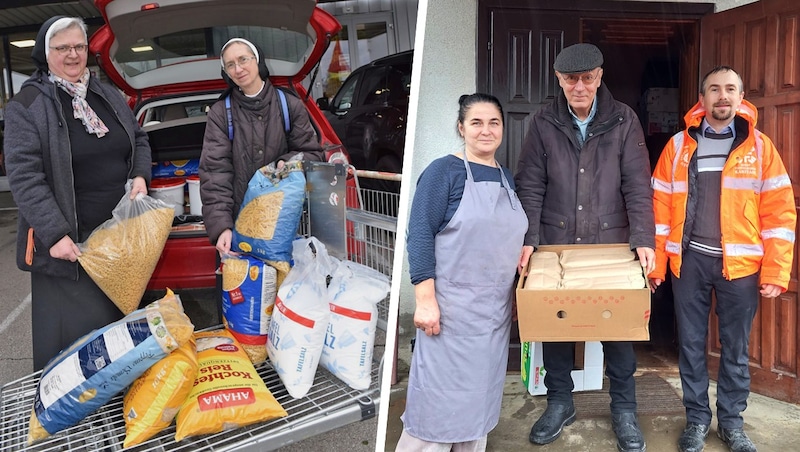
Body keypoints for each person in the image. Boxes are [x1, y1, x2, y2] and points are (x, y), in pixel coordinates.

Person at [514, 43, 655, 452]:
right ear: (559, 79)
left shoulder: (624, 119)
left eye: (588, 77)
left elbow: (636, 184)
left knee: (618, 328)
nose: (580, 86)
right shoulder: (543, 121)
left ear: (600, 75)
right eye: (571, 79)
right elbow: (530, 184)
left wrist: (643, 238)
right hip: (556, 243)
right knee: (556, 326)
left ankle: (624, 409)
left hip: (610, 242)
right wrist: (528, 241)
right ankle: (560, 402)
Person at [649, 66, 796, 452]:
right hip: (690, 262)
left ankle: (732, 424)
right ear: (702, 99)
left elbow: (780, 214)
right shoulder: (678, 147)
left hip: (742, 268)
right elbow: (659, 209)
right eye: (714, 89)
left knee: (735, 350)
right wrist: (658, 265)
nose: (722, 96)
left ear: (741, 97)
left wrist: (776, 271)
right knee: (691, 347)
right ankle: (697, 420)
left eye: (730, 89)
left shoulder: (760, 148)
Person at [3, 16, 152, 370]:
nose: (73, 55)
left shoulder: (105, 94)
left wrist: (140, 175)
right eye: (63, 48)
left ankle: (115, 405)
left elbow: (140, 139)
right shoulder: (27, 105)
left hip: (115, 240)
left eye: (79, 46)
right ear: (45, 52)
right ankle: (73, 415)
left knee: (116, 338)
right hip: (70, 246)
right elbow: (24, 176)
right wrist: (55, 234)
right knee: (75, 348)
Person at [397, 93, 528, 451]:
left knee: (478, 405)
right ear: (461, 128)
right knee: (437, 409)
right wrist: (424, 300)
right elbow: (419, 233)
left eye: (494, 123)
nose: (486, 131)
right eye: (476, 122)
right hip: (450, 314)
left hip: (493, 316)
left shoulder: (506, 178)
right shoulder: (444, 171)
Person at [199, 37, 324, 257]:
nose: (238, 69)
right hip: (241, 223)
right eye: (230, 65)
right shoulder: (220, 113)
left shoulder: (289, 106)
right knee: (243, 288)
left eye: (243, 59)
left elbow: (313, 154)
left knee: (282, 287)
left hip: (285, 223)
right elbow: (215, 172)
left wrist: (289, 162)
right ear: (226, 72)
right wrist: (222, 227)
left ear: (257, 61)